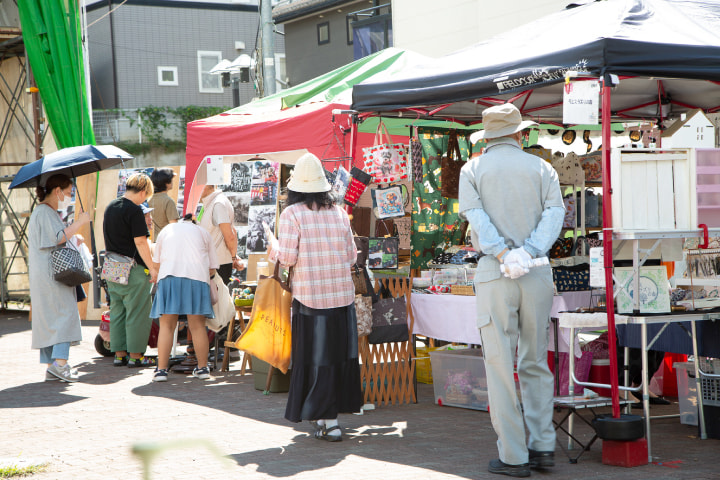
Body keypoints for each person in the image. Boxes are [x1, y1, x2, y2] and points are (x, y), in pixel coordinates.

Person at [458, 103, 565, 478]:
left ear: (486, 137)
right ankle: (543, 446)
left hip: (495, 271)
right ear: (520, 133)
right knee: (535, 360)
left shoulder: (472, 169)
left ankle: (514, 455)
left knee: (500, 364)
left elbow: (476, 217)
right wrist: (529, 251)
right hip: (536, 270)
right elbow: (556, 213)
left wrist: (504, 253)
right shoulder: (543, 167)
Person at [266, 152, 362, 442]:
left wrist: (273, 247)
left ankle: (329, 421)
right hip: (342, 297)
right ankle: (326, 418)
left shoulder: (292, 214)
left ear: (295, 187)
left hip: (311, 299)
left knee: (316, 359)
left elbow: (288, 258)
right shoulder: (339, 212)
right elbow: (351, 257)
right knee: (337, 358)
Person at [28, 174, 91, 382]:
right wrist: (79, 223)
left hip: (44, 273)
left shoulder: (42, 211)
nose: (70, 196)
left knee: (49, 319)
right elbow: (57, 238)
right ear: (57, 191)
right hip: (53, 275)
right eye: (69, 192)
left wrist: (72, 232)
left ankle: (52, 367)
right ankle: (61, 364)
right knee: (65, 314)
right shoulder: (46, 212)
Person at [150, 214, 219, 382]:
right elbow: (212, 268)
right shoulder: (203, 233)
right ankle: (203, 368)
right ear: (194, 222)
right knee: (197, 326)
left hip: (169, 278)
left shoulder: (166, 230)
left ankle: (161, 371)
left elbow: (156, 264)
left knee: (167, 326)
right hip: (197, 279)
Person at [103, 173, 158, 368]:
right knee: (137, 312)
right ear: (143, 191)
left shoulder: (111, 206)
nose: (145, 200)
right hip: (133, 268)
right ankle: (136, 356)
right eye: (146, 196)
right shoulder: (134, 210)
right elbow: (141, 242)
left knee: (117, 310)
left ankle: (119, 354)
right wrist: (152, 268)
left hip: (111, 265)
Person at [198, 184, 245, 284]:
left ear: (205, 186)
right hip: (213, 262)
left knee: (218, 293)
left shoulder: (218, 203)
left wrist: (233, 257)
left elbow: (230, 235)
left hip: (218, 264)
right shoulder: (212, 202)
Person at [148, 167, 179, 239]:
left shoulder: (149, 199)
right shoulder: (168, 201)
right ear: (166, 182)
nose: (172, 181)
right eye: (171, 179)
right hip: (166, 240)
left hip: (154, 239)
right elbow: (174, 226)